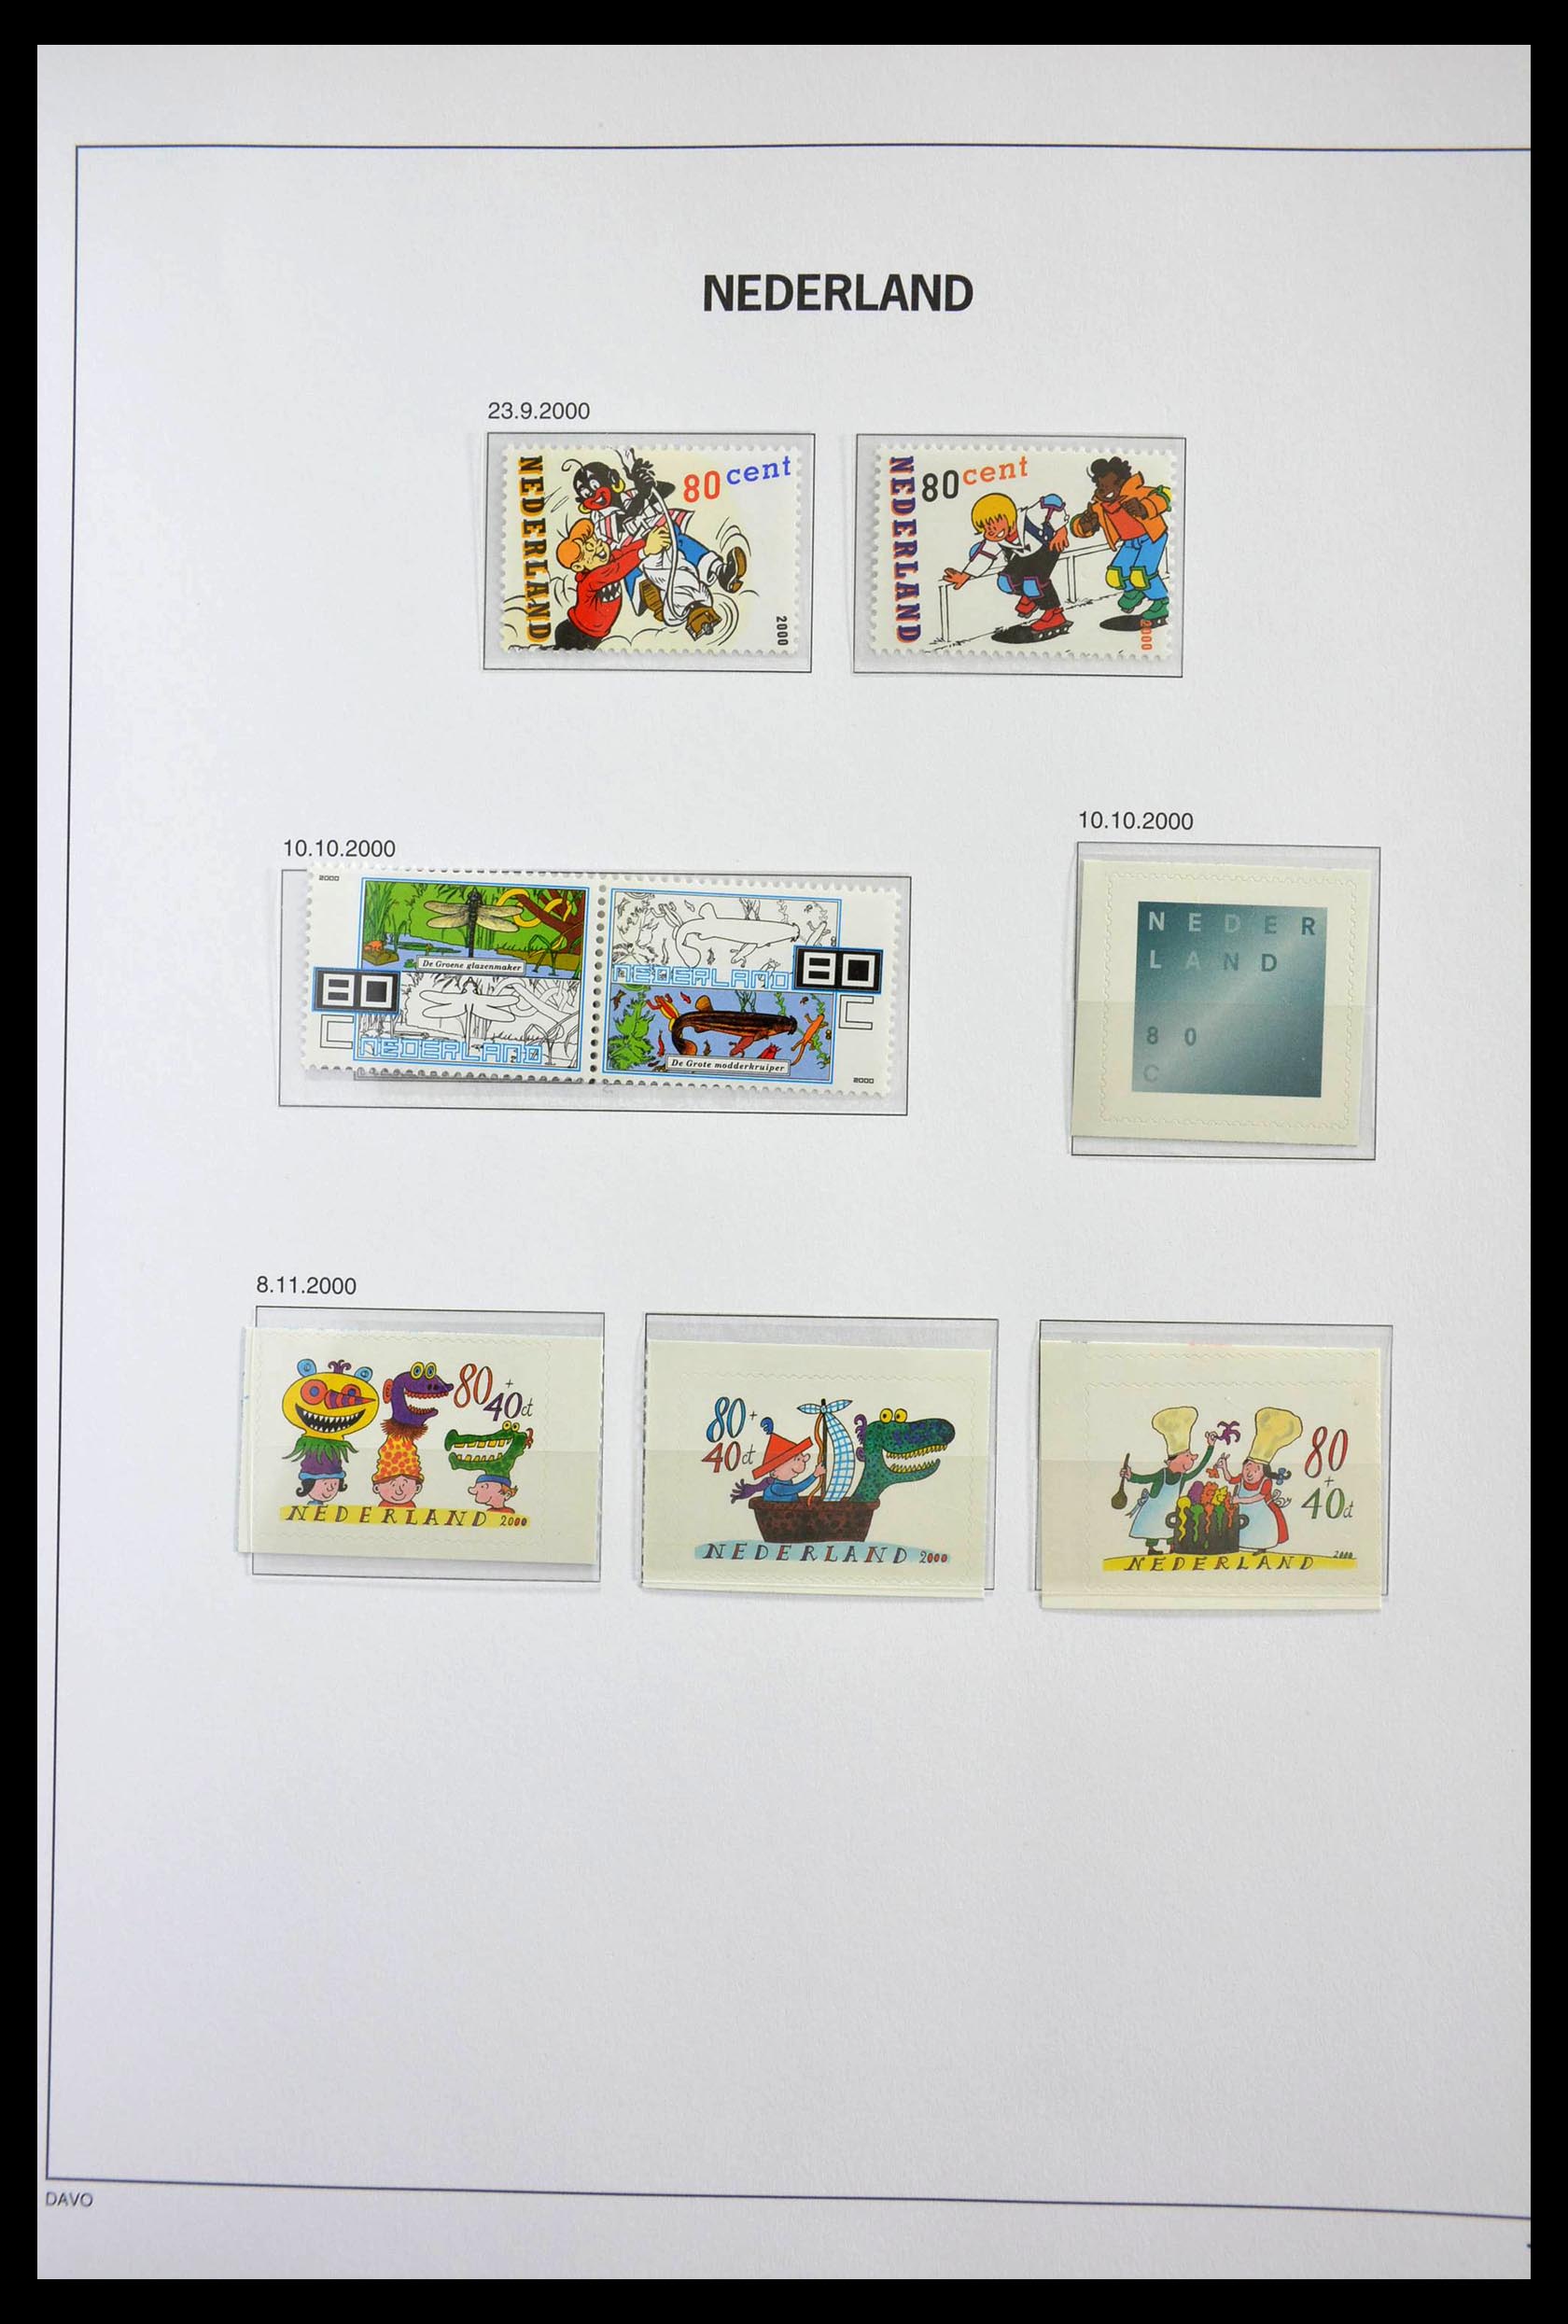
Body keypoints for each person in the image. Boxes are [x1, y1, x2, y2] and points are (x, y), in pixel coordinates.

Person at [944, 489, 1072, 641]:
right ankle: (1032, 597)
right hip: (1025, 555)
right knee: (1005, 581)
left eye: (995, 522)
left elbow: (1053, 502)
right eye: (986, 527)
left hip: (1048, 546)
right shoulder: (996, 538)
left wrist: (1061, 530)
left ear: (1009, 516)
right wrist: (964, 576)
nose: (991, 530)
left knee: (1032, 583)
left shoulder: (1029, 517)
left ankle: (1054, 614)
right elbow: (984, 555)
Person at [1070, 456, 1173, 622]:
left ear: (1122, 482)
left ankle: (1161, 601)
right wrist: (1084, 525)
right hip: (1130, 543)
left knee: (1141, 574)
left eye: (1110, 485)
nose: (1105, 490)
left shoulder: (1136, 491)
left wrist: (1145, 507)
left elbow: (1165, 495)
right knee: (1115, 574)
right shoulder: (1100, 505)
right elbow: (1080, 526)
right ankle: (1134, 591)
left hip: (1152, 537)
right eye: (1101, 486)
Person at [1121, 1407, 1218, 1550]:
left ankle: (1173, 1547)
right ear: (1172, 1460)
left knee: (1171, 1529)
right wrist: (1131, 1476)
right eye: (1187, 1456)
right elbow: (1145, 1478)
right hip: (1154, 1509)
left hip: (1170, 1510)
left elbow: (1200, 1468)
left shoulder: (1182, 1477)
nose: (1191, 1460)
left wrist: (1210, 1447)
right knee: (1152, 1528)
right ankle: (1152, 1549)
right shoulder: (1162, 1474)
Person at [1216, 1408, 1301, 1548]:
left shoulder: (1266, 1482)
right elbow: (1230, 1479)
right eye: (1247, 1467)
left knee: (1260, 1535)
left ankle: (1261, 1547)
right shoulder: (1242, 1478)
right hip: (1243, 1514)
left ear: (1264, 1472)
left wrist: (1239, 1500)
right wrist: (1224, 1467)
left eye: (1256, 1470)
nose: (1250, 1473)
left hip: (1262, 1515)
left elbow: (1258, 1497)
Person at [730, 1421, 821, 1505]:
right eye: (797, 1459)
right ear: (775, 1472)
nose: (803, 1461)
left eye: (801, 1458)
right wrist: (814, 1475)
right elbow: (797, 1488)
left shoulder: (786, 1482)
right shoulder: (776, 1487)